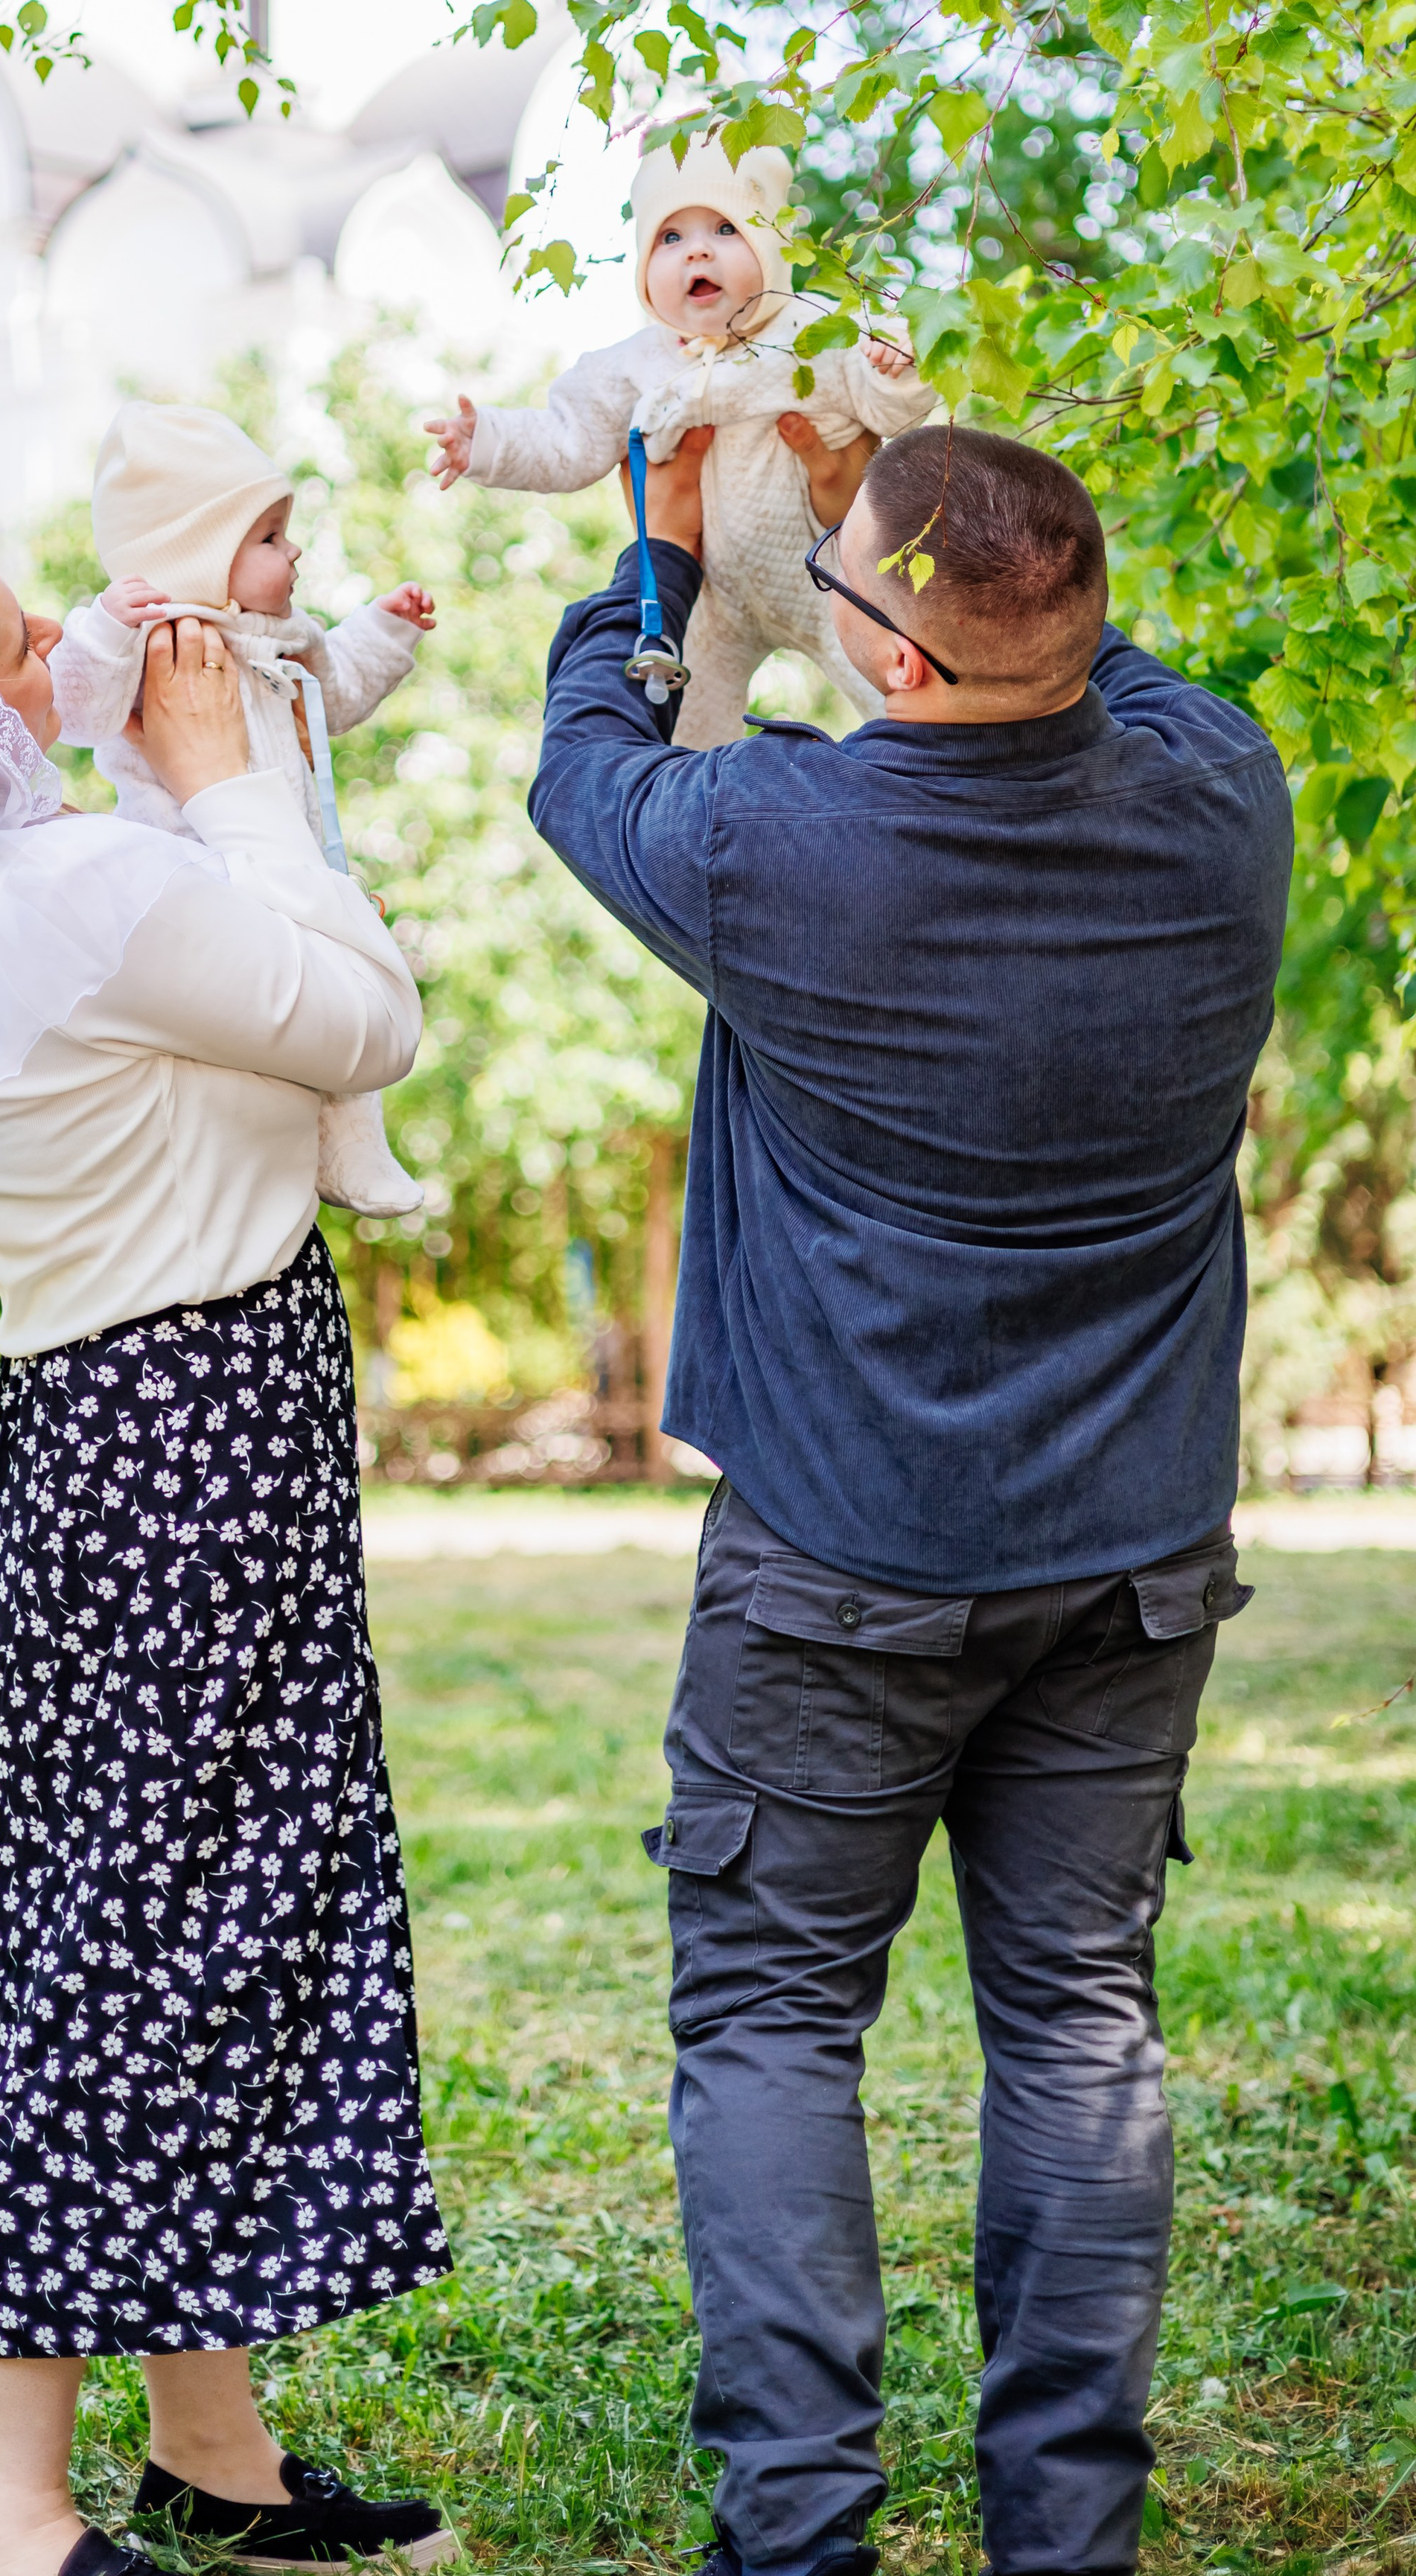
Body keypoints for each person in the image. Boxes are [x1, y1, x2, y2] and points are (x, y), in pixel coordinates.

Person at [526, 425, 1293, 2576]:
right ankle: (1070, 2539)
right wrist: (912, 503)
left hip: (840, 1563)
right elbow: (1087, 658)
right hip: (1131, 1560)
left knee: (774, 2019)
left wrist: (668, 550)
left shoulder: (782, 838)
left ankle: (807, 2537)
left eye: (851, 589)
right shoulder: (1224, 796)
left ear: (903, 664)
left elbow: (585, 757)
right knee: (1076, 2020)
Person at [0, 517, 455, 2576]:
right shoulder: (86, 889)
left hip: (102, 1441)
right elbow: (369, 1017)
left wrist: (194, 744)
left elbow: (214, 957)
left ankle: (209, 2450)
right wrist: (232, 774)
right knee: (127, 1960)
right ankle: (7, 2510)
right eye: (26, 633)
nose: (73, 643)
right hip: (194, 1448)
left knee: (166, 1927)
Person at [48, 400, 435, 1216]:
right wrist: (105, 630)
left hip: (286, 858)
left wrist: (383, 630)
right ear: (192, 557)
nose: (292, 550)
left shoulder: (281, 640)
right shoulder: (152, 647)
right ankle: (283, 1155)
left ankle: (352, 1149)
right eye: (266, 536)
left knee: (334, 998)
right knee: (260, 1027)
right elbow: (75, 713)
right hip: (191, 881)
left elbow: (335, 696)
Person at [422, 135, 934, 746]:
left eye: (724, 229)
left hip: (823, 567)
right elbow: (571, 437)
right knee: (678, 725)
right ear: (643, 267)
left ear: (770, 244)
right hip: (701, 586)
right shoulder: (634, 363)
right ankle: (692, 814)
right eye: (671, 238)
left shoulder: (814, 329)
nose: (697, 253)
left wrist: (894, 364)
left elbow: (886, 406)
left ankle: (942, 779)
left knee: (902, 685)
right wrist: (490, 441)